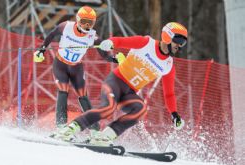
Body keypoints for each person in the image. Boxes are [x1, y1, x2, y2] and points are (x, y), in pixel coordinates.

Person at [52, 22, 187, 146]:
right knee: (108, 108)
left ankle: (104, 137)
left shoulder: (168, 65)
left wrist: (174, 114)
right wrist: (109, 43)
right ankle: (69, 129)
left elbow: (169, 93)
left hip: (129, 92)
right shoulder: (146, 43)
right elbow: (121, 41)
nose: (180, 46)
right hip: (115, 82)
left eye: (183, 43)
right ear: (167, 36)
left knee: (140, 109)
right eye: (178, 40)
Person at [33, 6, 118, 129]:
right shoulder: (66, 26)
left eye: (90, 23)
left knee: (83, 96)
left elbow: (105, 56)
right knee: (63, 91)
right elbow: (51, 35)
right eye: (84, 22)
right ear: (78, 20)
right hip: (60, 65)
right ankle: (61, 127)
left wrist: (116, 59)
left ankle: (95, 130)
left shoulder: (93, 37)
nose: (86, 26)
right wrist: (41, 51)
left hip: (76, 68)